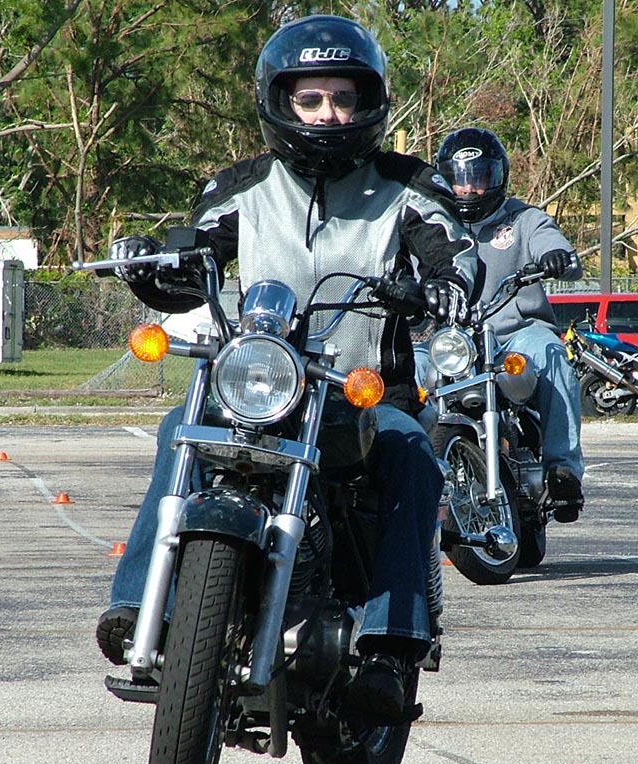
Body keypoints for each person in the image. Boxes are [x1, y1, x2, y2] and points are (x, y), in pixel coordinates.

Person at [94, 15, 478, 720]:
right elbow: (193, 255)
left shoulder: (408, 186)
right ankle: (137, 606)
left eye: (344, 98)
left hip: (364, 397)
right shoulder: (241, 188)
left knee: (413, 454)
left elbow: (454, 252)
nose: (328, 113)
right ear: (280, 102)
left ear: (369, 102)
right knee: (178, 428)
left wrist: (446, 283)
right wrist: (153, 266)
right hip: (258, 388)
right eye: (311, 99)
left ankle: (393, 644)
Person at [431, 127, 585, 521]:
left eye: (479, 178)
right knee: (405, 372)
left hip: (517, 335)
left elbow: (557, 247)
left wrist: (556, 257)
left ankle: (563, 469)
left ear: (498, 176)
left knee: (552, 354)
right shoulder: (433, 222)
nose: (469, 189)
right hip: (449, 340)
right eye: (460, 179)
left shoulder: (524, 219)